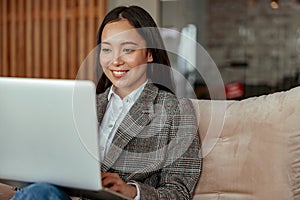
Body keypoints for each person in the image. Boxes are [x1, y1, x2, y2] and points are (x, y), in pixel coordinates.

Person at [12, 5, 201, 200]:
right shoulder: (82, 106)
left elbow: (178, 192)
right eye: (107, 49)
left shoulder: (176, 110)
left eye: (127, 49)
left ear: (150, 53)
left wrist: (131, 191)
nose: (115, 61)